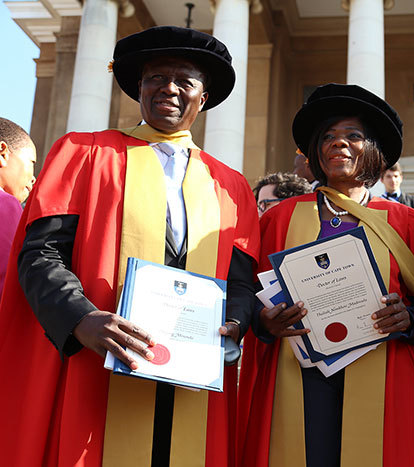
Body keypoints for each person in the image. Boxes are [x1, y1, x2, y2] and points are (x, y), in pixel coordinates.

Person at [0, 26, 260, 466]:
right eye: (156, 77)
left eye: (185, 80)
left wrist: (233, 324)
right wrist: (82, 320)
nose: (169, 88)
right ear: (139, 87)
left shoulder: (229, 185)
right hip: (97, 359)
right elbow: (40, 254)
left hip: (192, 375)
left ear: (205, 96)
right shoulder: (83, 153)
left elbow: (240, 282)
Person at [237, 83, 414, 466]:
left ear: (374, 151)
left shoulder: (410, 223)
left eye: (353, 136)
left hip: (387, 373)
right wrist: (262, 321)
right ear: (316, 152)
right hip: (298, 373)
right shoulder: (279, 218)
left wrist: (410, 318)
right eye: (328, 137)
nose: (339, 144)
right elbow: (251, 292)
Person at [0, 118, 36, 294]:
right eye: (32, 163)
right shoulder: (6, 205)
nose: (33, 179)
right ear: (3, 153)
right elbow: (9, 281)